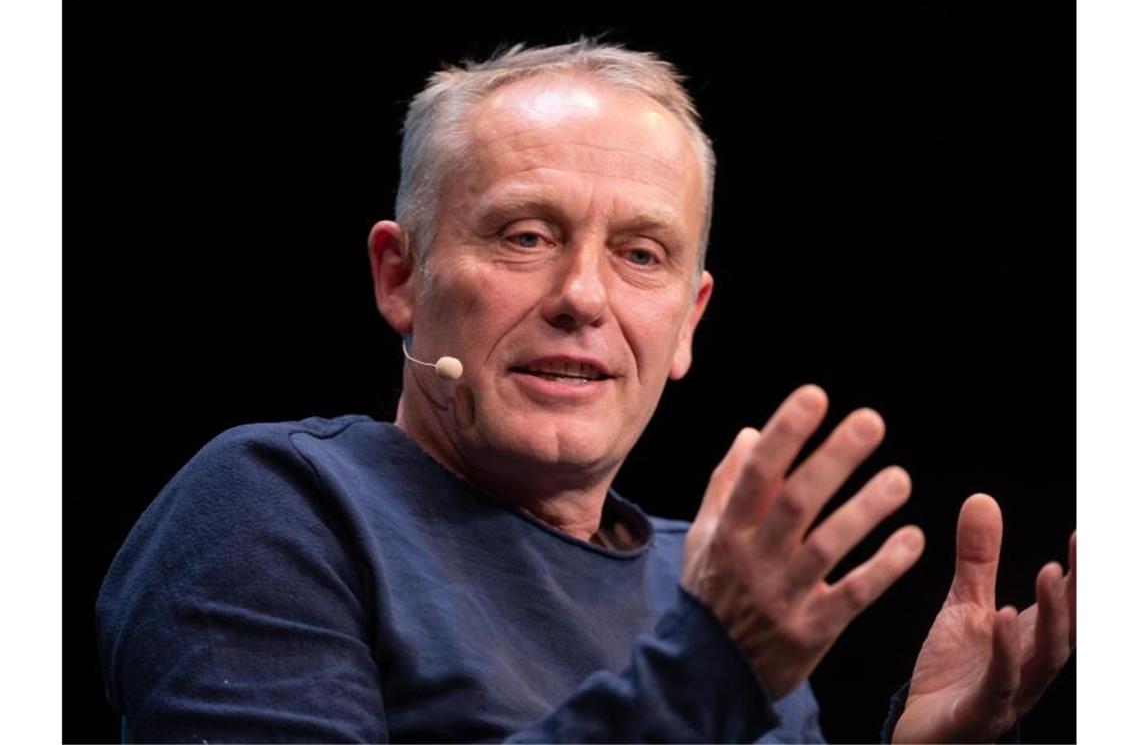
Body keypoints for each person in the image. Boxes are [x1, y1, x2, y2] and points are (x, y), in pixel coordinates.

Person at [96, 39, 1075, 742]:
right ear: (400, 276)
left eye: (640, 254)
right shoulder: (274, 506)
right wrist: (710, 669)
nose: (581, 297)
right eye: (526, 235)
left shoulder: (722, 578)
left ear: (689, 318)